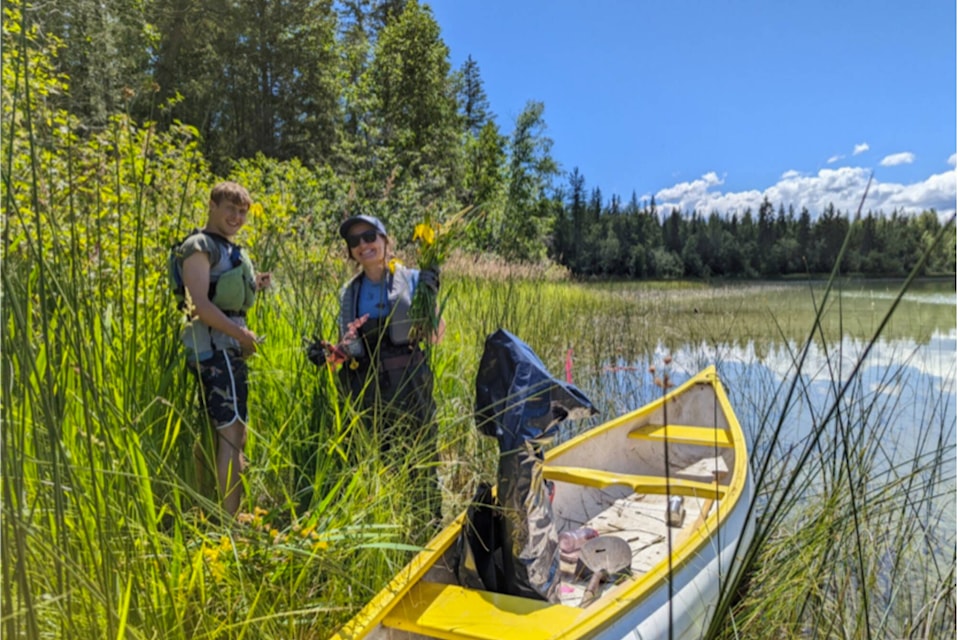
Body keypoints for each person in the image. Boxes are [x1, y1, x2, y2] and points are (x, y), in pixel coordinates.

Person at [311, 214, 443, 529]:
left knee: (421, 454)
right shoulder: (351, 292)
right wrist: (327, 353)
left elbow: (435, 337)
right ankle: (390, 524)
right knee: (378, 457)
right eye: (354, 241)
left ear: (385, 240)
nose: (363, 245)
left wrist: (431, 295)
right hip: (367, 387)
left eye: (369, 236)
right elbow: (349, 350)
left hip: (410, 381)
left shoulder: (412, 278)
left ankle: (429, 525)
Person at [176, 181, 271, 517]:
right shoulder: (199, 245)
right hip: (214, 349)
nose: (236, 216)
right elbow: (200, 304)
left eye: (242, 211)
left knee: (235, 433)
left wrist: (254, 284)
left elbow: (222, 290)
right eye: (230, 208)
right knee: (231, 434)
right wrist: (242, 335)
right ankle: (230, 525)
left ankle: (230, 515)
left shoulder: (228, 249)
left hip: (228, 348)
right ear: (212, 205)